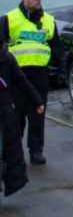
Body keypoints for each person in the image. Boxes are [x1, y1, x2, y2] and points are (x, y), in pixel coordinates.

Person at [0, 0, 60, 165]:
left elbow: (56, 46)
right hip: (16, 76)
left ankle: (36, 150)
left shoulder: (48, 20)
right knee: (15, 115)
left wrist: (58, 69)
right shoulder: (9, 19)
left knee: (37, 114)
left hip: (40, 75)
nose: (37, 1)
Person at [0, 30, 43, 197]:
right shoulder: (7, 57)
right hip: (5, 111)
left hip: (4, 113)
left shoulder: (7, 59)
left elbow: (22, 81)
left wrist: (37, 101)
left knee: (5, 150)